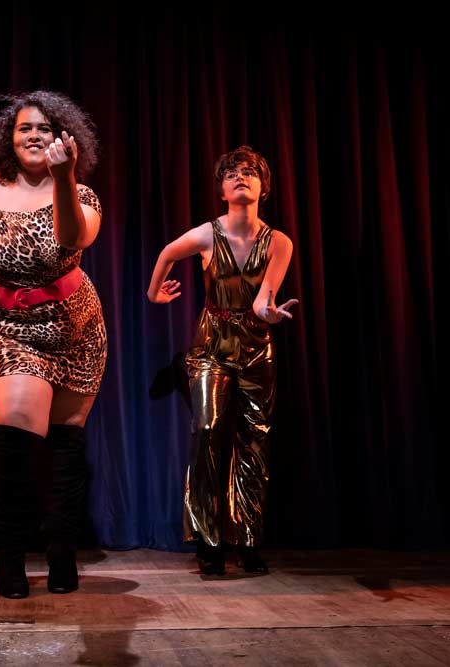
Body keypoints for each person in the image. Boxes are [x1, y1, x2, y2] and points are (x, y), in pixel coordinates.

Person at [0, 91, 106, 598]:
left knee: (64, 443)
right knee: (13, 439)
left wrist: (62, 178)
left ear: (64, 138)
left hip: (74, 323)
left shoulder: (80, 193)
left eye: (44, 128)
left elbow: (73, 239)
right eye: (23, 128)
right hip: (1, 324)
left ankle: (61, 553)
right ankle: (10, 560)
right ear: (7, 139)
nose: (33, 136)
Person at [147, 145, 297, 575]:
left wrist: (268, 311)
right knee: (209, 430)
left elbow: (263, 301)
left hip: (255, 348)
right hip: (211, 347)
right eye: (232, 172)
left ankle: (247, 540)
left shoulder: (278, 242)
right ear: (222, 190)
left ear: (263, 187)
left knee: (254, 441)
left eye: (250, 172)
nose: (241, 176)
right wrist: (153, 292)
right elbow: (166, 255)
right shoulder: (208, 235)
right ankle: (209, 542)